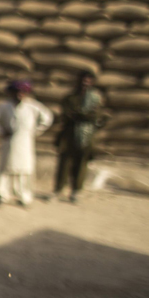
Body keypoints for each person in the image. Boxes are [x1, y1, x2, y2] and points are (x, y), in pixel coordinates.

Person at [0, 80, 53, 207]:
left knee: (24, 169)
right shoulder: (5, 106)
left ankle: (24, 196)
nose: (19, 95)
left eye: (22, 92)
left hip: (25, 142)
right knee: (5, 168)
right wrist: (2, 131)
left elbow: (47, 118)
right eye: (17, 92)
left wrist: (35, 131)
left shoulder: (33, 106)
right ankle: (3, 194)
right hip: (9, 141)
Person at [53, 71, 103, 202]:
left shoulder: (95, 99)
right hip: (69, 134)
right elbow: (67, 114)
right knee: (65, 163)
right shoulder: (70, 98)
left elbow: (96, 116)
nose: (84, 83)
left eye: (88, 81)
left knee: (81, 164)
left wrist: (81, 115)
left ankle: (76, 191)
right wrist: (82, 115)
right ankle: (58, 189)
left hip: (86, 136)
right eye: (83, 80)